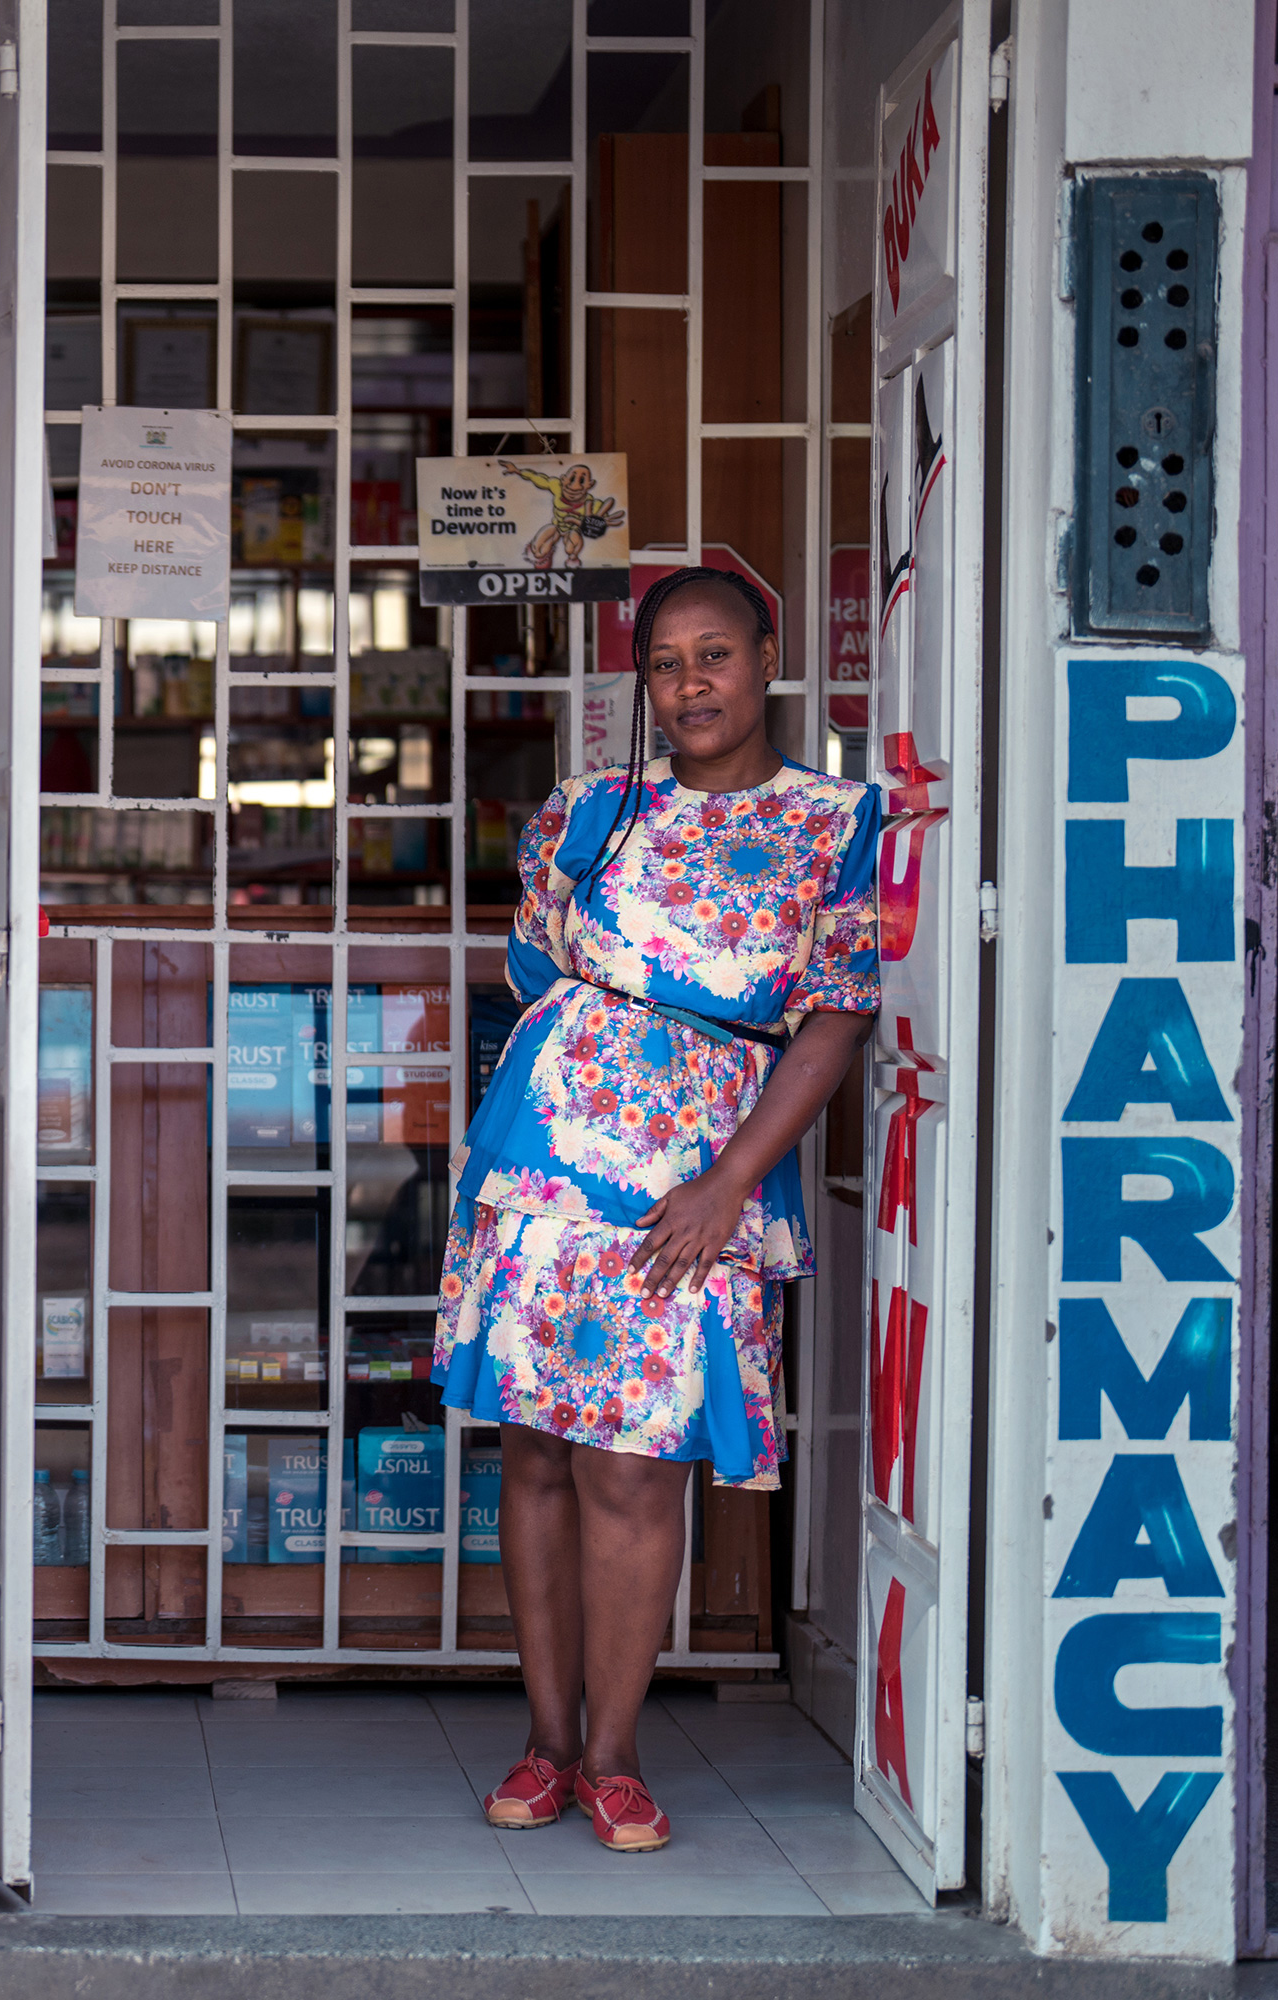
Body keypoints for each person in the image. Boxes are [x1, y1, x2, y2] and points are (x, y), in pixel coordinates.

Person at [437, 567, 880, 1853]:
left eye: (716, 655)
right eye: (667, 662)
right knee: (534, 1446)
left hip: (697, 1169)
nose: (691, 683)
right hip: (546, 1157)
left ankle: (616, 1753)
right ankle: (545, 1738)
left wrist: (731, 1177)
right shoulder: (587, 811)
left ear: (768, 655)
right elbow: (533, 971)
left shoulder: (837, 823)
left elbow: (838, 1013)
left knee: (633, 1460)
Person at [500, 459, 627, 572]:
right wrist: (518, 471)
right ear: (563, 479)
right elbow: (537, 478)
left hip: (572, 531)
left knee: (571, 547)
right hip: (556, 526)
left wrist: (601, 522)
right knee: (538, 552)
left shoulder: (593, 505)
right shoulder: (556, 486)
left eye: (582, 480)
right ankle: (547, 556)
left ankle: (573, 558)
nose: (574, 486)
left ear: (590, 484)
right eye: (572, 479)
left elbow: (601, 518)